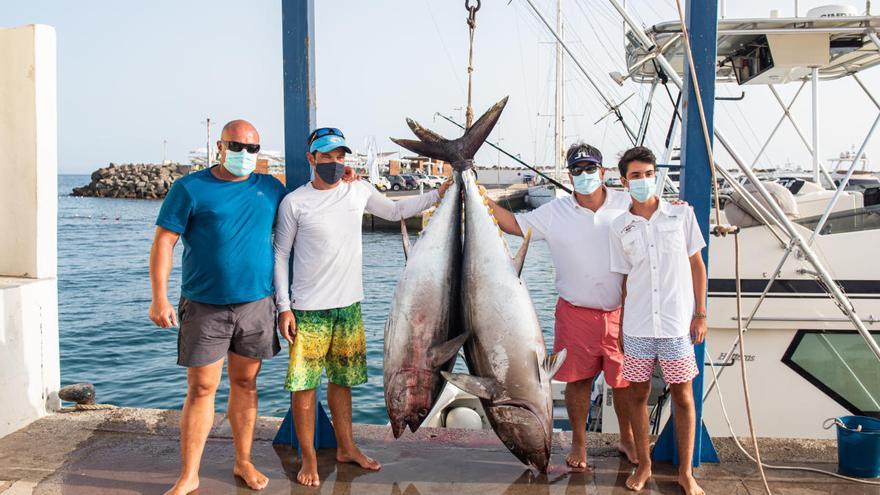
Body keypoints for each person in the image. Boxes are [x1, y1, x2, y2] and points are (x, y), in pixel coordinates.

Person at [273, 127, 451, 487]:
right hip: (308, 311)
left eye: (340, 157)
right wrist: (284, 307)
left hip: (349, 308)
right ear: (312, 159)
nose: (335, 163)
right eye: (327, 157)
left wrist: (438, 193)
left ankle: (347, 447)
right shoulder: (295, 202)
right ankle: (308, 458)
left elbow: (397, 210)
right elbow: (280, 254)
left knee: (343, 383)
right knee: (305, 388)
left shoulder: (358, 191)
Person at [149, 120, 288, 494]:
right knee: (201, 388)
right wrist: (159, 297)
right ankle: (189, 474)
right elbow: (164, 242)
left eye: (252, 149)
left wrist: (348, 179)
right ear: (220, 146)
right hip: (204, 306)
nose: (244, 155)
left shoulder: (271, 188)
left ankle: (243, 461)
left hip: (257, 305)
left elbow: (308, 209)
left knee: (245, 383)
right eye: (237, 147)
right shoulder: (190, 188)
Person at [486, 142, 638, 470]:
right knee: (578, 382)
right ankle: (580, 444)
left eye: (590, 168)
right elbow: (513, 224)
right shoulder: (555, 212)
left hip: (621, 313)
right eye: (578, 170)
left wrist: (679, 207)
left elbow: (658, 214)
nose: (584, 175)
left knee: (623, 383)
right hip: (575, 312)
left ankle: (626, 438)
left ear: (603, 172)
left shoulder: (627, 203)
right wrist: (479, 196)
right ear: (570, 176)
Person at [608, 146, 707, 495]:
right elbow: (623, 281)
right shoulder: (619, 227)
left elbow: (697, 265)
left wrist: (700, 314)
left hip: (675, 325)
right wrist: (620, 328)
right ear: (624, 181)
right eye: (636, 175)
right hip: (636, 326)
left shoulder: (680, 216)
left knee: (683, 395)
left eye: (649, 174)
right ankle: (645, 464)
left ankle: (685, 472)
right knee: (637, 393)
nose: (644, 180)